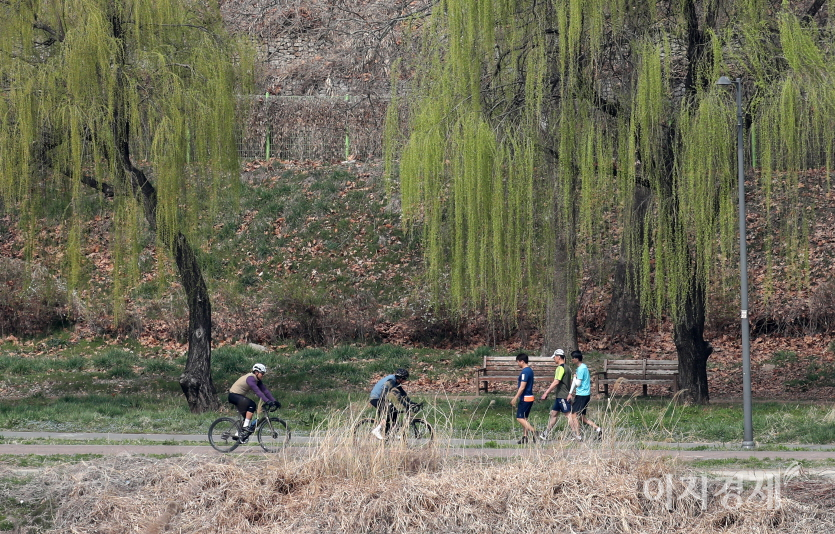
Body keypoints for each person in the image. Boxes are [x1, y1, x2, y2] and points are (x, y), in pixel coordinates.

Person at [228, 363, 280, 441]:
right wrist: (267, 401)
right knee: (252, 405)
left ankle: (238, 434)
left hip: (238, 396)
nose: (263, 375)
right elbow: (257, 391)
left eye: (264, 373)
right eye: (262, 373)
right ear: (256, 372)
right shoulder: (250, 378)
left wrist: (274, 401)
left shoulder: (257, 380)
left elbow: (265, 391)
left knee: (247, 416)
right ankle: (245, 427)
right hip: (233, 396)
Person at [368, 368, 415, 440]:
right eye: (405, 379)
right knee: (390, 412)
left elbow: (402, 395)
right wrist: (387, 402)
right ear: (400, 378)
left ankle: (390, 433)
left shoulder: (396, 382)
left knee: (395, 413)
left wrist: (410, 403)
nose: (405, 380)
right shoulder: (391, 380)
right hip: (376, 399)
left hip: (381, 398)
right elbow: (385, 389)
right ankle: (376, 430)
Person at [566, 350, 602, 441]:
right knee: (582, 417)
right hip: (583, 394)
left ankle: (578, 435)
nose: (572, 360)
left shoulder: (581, 369)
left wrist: (574, 377)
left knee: (574, 414)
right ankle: (598, 429)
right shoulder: (582, 368)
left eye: (573, 358)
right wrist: (570, 393)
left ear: (577, 359)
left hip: (582, 395)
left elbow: (577, 383)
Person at [538, 349, 572, 440]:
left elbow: (556, 381)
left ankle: (576, 434)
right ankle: (546, 433)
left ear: (559, 357)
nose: (554, 359)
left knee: (568, 415)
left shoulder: (560, 368)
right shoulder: (568, 368)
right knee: (553, 414)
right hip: (559, 396)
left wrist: (546, 393)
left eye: (555, 357)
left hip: (562, 396)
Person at [510, 352, 537, 445]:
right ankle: (525, 437)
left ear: (522, 361)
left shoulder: (525, 372)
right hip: (530, 397)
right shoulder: (530, 370)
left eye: (518, 362)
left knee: (519, 418)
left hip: (525, 398)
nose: (517, 364)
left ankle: (534, 432)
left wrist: (515, 398)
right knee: (525, 418)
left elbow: (522, 387)